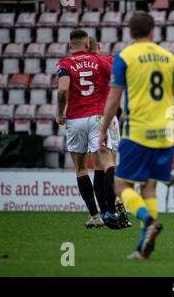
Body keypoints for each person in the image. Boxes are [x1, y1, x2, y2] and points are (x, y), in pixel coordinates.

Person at [99, 12, 174, 260]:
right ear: (152, 31)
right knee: (149, 189)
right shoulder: (169, 57)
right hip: (164, 135)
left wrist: (104, 128)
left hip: (137, 133)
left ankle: (148, 221)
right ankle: (141, 248)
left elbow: (114, 98)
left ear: (130, 32)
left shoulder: (124, 56)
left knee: (120, 184)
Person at [56, 29, 121, 230]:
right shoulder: (99, 61)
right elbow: (117, 79)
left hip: (75, 120)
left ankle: (95, 215)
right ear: (88, 45)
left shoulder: (65, 63)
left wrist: (60, 113)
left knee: (81, 168)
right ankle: (112, 207)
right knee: (108, 163)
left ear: (70, 46)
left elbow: (62, 90)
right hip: (98, 117)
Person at [87, 36, 130, 229]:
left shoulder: (74, 65)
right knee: (109, 163)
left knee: (98, 166)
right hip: (104, 116)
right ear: (99, 47)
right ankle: (112, 212)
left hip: (84, 118)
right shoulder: (108, 61)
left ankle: (103, 212)